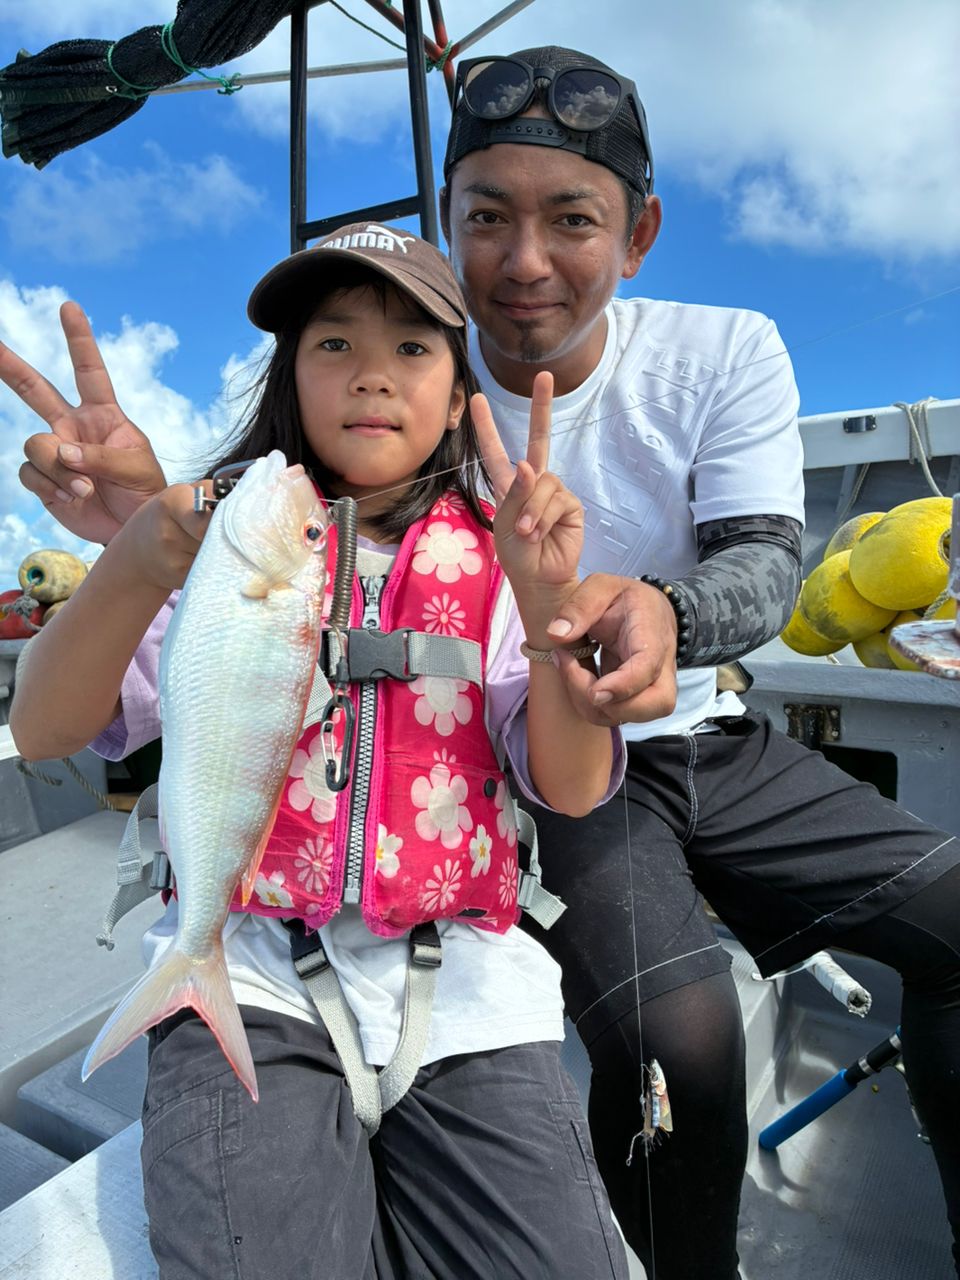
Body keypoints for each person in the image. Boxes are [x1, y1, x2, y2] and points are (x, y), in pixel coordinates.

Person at [6, 45, 960, 1280]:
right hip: (294, 935)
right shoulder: (254, 525)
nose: (522, 262)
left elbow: (743, 588)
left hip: (596, 817)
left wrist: (584, 599)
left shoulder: (691, 379)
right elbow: (71, 709)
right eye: (335, 345)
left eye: (572, 219)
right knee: (682, 1041)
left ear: (639, 232)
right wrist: (139, 544)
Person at [7, 225, 630, 1280]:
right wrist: (134, 554)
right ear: (289, 377)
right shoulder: (214, 555)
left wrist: (544, 598)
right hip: (250, 970)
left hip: (465, 989)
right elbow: (46, 727)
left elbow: (569, 784)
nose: (373, 374)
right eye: (333, 344)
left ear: (457, 381)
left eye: (413, 349)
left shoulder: (499, 559)